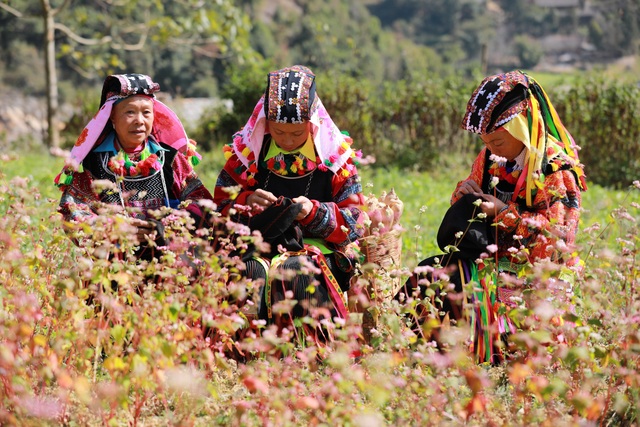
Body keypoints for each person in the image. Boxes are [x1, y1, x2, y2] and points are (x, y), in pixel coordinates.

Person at [399, 70, 587, 364]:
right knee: (431, 273)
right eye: (486, 142)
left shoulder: (555, 170)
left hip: (535, 275)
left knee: (459, 278)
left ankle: (488, 357)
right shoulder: (490, 158)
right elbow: (469, 194)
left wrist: (503, 212)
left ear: (522, 127)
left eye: (497, 142)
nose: (490, 149)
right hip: (490, 258)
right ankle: (422, 355)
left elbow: (555, 244)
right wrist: (464, 194)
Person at [213, 65, 366, 346]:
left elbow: (355, 221)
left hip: (317, 250)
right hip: (256, 246)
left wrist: (314, 212)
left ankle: (311, 354)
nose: (287, 141)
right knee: (250, 271)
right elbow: (220, 203)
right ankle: (244, 354)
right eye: (279, 132)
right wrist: (246, 201)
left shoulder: (336, 159)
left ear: (313, 123)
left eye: (297, 134)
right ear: (265, 123)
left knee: (296, 269)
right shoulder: (247, 154)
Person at [55, 73, 214, 262]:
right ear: (112, 117)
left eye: (146, 112)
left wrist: (164, 226)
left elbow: (202, 204)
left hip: (168, 259)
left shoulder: (170, 159)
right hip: (114, 265)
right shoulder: (94, 164)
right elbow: (73, 211)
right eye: (130, 112)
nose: (139, 120)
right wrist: (116, 229)